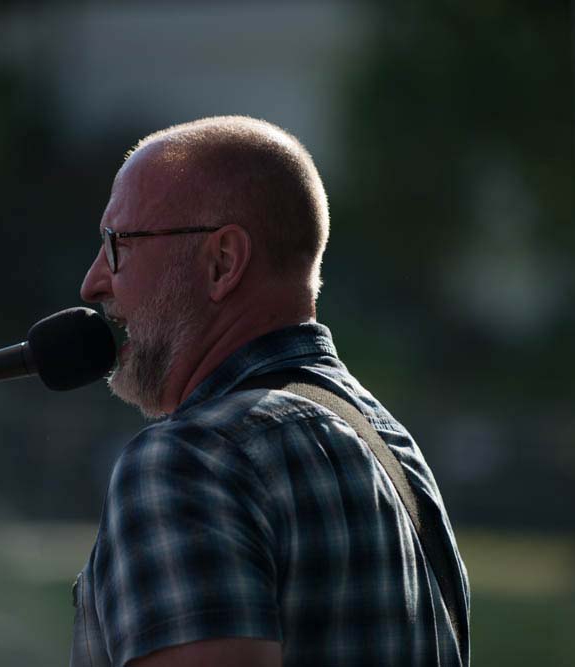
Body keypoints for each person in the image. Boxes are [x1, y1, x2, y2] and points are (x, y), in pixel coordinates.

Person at [73, 116, 470, 667]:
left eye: (119, 246)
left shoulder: (190, 460)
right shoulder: (395, 455)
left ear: (222, 263)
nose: (93, 282)